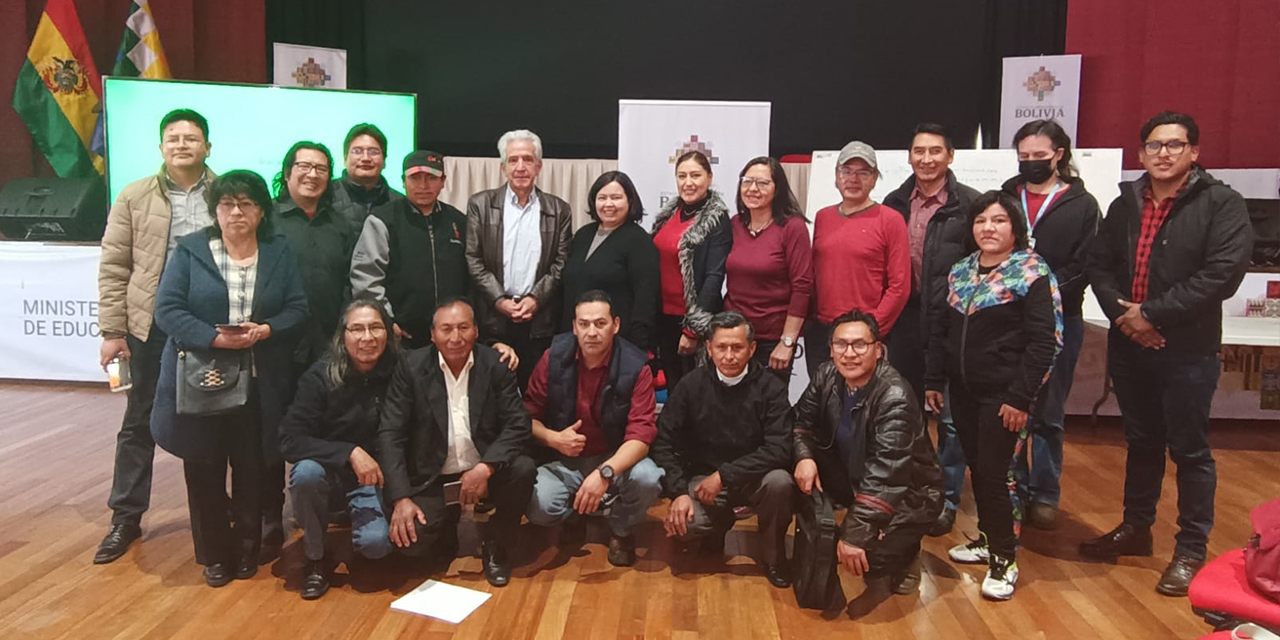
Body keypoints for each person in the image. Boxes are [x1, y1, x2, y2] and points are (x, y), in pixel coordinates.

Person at [1082, 111, 1253, 597]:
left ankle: (1190, 548)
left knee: (1191, 450)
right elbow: (1101, 266)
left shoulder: (1222, 204)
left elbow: (1222, 274)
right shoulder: (1125, 204)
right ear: (1141, 153)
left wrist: (1152, 316)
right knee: (1140, 441)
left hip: (1187, 349)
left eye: (1175, 145)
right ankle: (1136, 528)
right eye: (1154, 146)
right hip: (1131, 344)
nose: (1164, 153)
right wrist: (1127, 319)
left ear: (1194, 152)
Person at [149, 170, 310, 587]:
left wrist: (266, 330)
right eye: (227, 204)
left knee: (252, 467)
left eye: (247, 204)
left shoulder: (278, 251)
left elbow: (297, 308)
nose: (237, 212)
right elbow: (167, 310)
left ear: (261, 211)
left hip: (259, 380)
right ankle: (214, 555)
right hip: (205, 377)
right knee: (203, 468)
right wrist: (212, 338)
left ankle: (247, 550)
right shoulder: (190, 250)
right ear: (215, 209)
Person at [924, 191, 1062, 601]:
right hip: (964, 391)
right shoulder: (962, 270)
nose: (989, 228)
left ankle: (1005, 558)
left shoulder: (1032, 272)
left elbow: (1045, 343)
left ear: (1015, 227)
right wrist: (934, 378)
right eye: (982, 220)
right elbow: (942, 330)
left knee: (997, 475)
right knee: (978, 468)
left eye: (999, 220)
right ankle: (987, 539)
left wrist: (1021, 398)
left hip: (1005, 396)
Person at [95, 108, 216, 565]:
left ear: (208, 146)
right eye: (173, 138)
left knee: (210, 420)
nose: (182, 145)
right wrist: (113, 330)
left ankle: (212, 517)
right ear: (161, 146)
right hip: (149, 326)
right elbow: (114, 266)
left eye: (191, 138)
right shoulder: (133, 196)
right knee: (139, 421)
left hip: (206, 328)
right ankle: (125, 517)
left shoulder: (225, 193)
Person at [376, 298, 536, 587]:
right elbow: (391, 433)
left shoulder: (494, 364)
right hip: (433, 475)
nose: (455, 337)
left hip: (486, 469)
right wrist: (400, 497)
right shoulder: (410, 368)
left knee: (523, 469)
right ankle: (446, 527)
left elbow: (519, 423)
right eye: (446, 329)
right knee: (411, 546)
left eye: (463, 327)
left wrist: (485, 468)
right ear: (432, 334)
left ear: (476, 330)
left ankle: (497, 545)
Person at [791, 310, 943, 596]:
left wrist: (853, 536)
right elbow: (800, 423)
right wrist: (804, 457)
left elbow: (887, 476)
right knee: (785, 468)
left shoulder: (894, 396)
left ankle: (906, 552)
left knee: (868, 562)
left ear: (878, 350)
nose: (849, 354)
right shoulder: (826, 375)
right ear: (831, 349)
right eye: (840, 345)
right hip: (852, 472)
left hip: (909, 492)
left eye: (859, 344)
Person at [1000, 119, 1101, 530]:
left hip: (1062, 319)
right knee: (1009, 407)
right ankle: (1013, 486)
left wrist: (1045, 294)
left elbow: (1087, 262)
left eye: (1040, 157)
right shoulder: (1008, 195)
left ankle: (1045, 492)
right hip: (1008, 319)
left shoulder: (1083, 204)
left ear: (1059, 154)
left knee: (1048, 410)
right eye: (1024, 157)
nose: (1031, 164)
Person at [882, 124, 982, 536]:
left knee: (952, 417)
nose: (926, 159)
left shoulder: (971, 204)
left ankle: (946, 498)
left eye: (935, 151)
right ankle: (909, 491)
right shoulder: (892, 202)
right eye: (918, 151)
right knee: (904, 409)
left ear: (951, 156)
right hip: (903, 316)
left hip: (953, 320)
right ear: (908, 157)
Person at [651, 311, 794, 587]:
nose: (729, 356)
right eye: (721, 347)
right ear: (708, 348)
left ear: (752, 349)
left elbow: (779, 449)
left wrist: (724, 476)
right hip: (702, 479)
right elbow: (663, 440)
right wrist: (678, 492)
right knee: (686, 524)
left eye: (737, 347)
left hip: (755, 478)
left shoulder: (772, 389)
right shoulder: (691, 385)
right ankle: (717, 526)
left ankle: (774, 555)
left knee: (781, 483)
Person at [524, 290, 664, 567]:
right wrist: (553, 438)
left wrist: (605, 472)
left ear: (616, 325)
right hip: (563, 461)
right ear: (574, 326)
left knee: (649, 478)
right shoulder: (552, 358)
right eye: (584, 324)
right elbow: (525, 418)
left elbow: (641, 436)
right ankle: (573, 516)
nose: (591, 332)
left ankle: (621, 530)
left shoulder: (636, 366)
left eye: (600, 323)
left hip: (614, 459)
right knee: (538, 505)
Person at [268, 140, 357, 559]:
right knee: (270, 435)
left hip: (327, 349)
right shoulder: (266, 219)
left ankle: (326, 505)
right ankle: (270, 516)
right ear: (287, 173)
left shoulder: (340, 223)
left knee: (324, 428)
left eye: (321, 168)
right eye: (303, 166)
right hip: (274, 348)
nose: (312, 174)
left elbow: (348, 284)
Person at [279, 297, 398, 600]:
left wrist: (501, 349)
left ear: (389, 332)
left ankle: (361, 536)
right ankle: (316, 559)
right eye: (357, 329)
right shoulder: (319, 377)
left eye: (375, 328)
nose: (367, 338)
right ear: (342, 335)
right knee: (305, 472)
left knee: (376, 545)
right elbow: (289, 439)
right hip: (329, 475)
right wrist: (349, 452)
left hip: (376, 479)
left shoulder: (401, 372)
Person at [466, 129, 573, 389]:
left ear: (539, 166)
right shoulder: (480, 204)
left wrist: (535, 299)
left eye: (527, 159)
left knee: (536, 393)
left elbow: (561, 262)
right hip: (493, 318)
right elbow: (473, 258)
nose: (521, 167)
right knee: (491, 393)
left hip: (539, 320)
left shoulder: (558, 209)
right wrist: (499, 300)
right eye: (513, 160)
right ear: (503, 167)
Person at [807, 141, 910, 381]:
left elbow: (900, 286)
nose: (854, 178)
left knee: (862, 409)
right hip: (822, 333)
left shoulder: (890, 219)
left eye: (863, 172)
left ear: (875, 179)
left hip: (863, 335)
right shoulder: (823, 217)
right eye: (846, 171)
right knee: (824, 407)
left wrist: (871, 332)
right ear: (836, 176)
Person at [351, 151, 470, 350]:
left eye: (431, 178)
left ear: (443, 181)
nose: (423, 186)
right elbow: (366, 277)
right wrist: (386, 320)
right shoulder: (383, 219)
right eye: (415, 178)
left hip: (452, 337)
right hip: (401, 337)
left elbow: (471, 278)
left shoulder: (458, 221)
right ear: (403, 181)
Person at [651, 150, 733, 393]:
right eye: (682, 175)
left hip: (693, 321)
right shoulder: (669, 215)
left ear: (709, 177)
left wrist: (692, 329)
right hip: (663, 317)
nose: (688, 182)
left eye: (695, 175)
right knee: (674, 388)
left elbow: (714, 277)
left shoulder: (717, 219)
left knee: (697, 391)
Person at [724, 157, 813, 381]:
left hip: (773, 339)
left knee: (768, 409)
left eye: (762, 183)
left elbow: (803, 287)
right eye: (747, 181)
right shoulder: (734, 224)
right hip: (734, 336)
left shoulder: (792, 227)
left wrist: (787, 342)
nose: (753, 189)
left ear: (777, 188)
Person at [560, 171, 659, 352]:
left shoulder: (639, 241)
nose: (608, 204)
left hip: (620, 343)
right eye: (602, 198)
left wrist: (639, 345)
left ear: (630, 201)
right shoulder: (583, 235)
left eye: (616, 197)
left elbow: (646, 298)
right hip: (575, 339)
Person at [330, 123, 405, 227]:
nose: (365, 158)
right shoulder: (326, 195)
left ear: (384, 161)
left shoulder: (400, 204)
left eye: (373, 152)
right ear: (345, 159)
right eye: (357, 151)